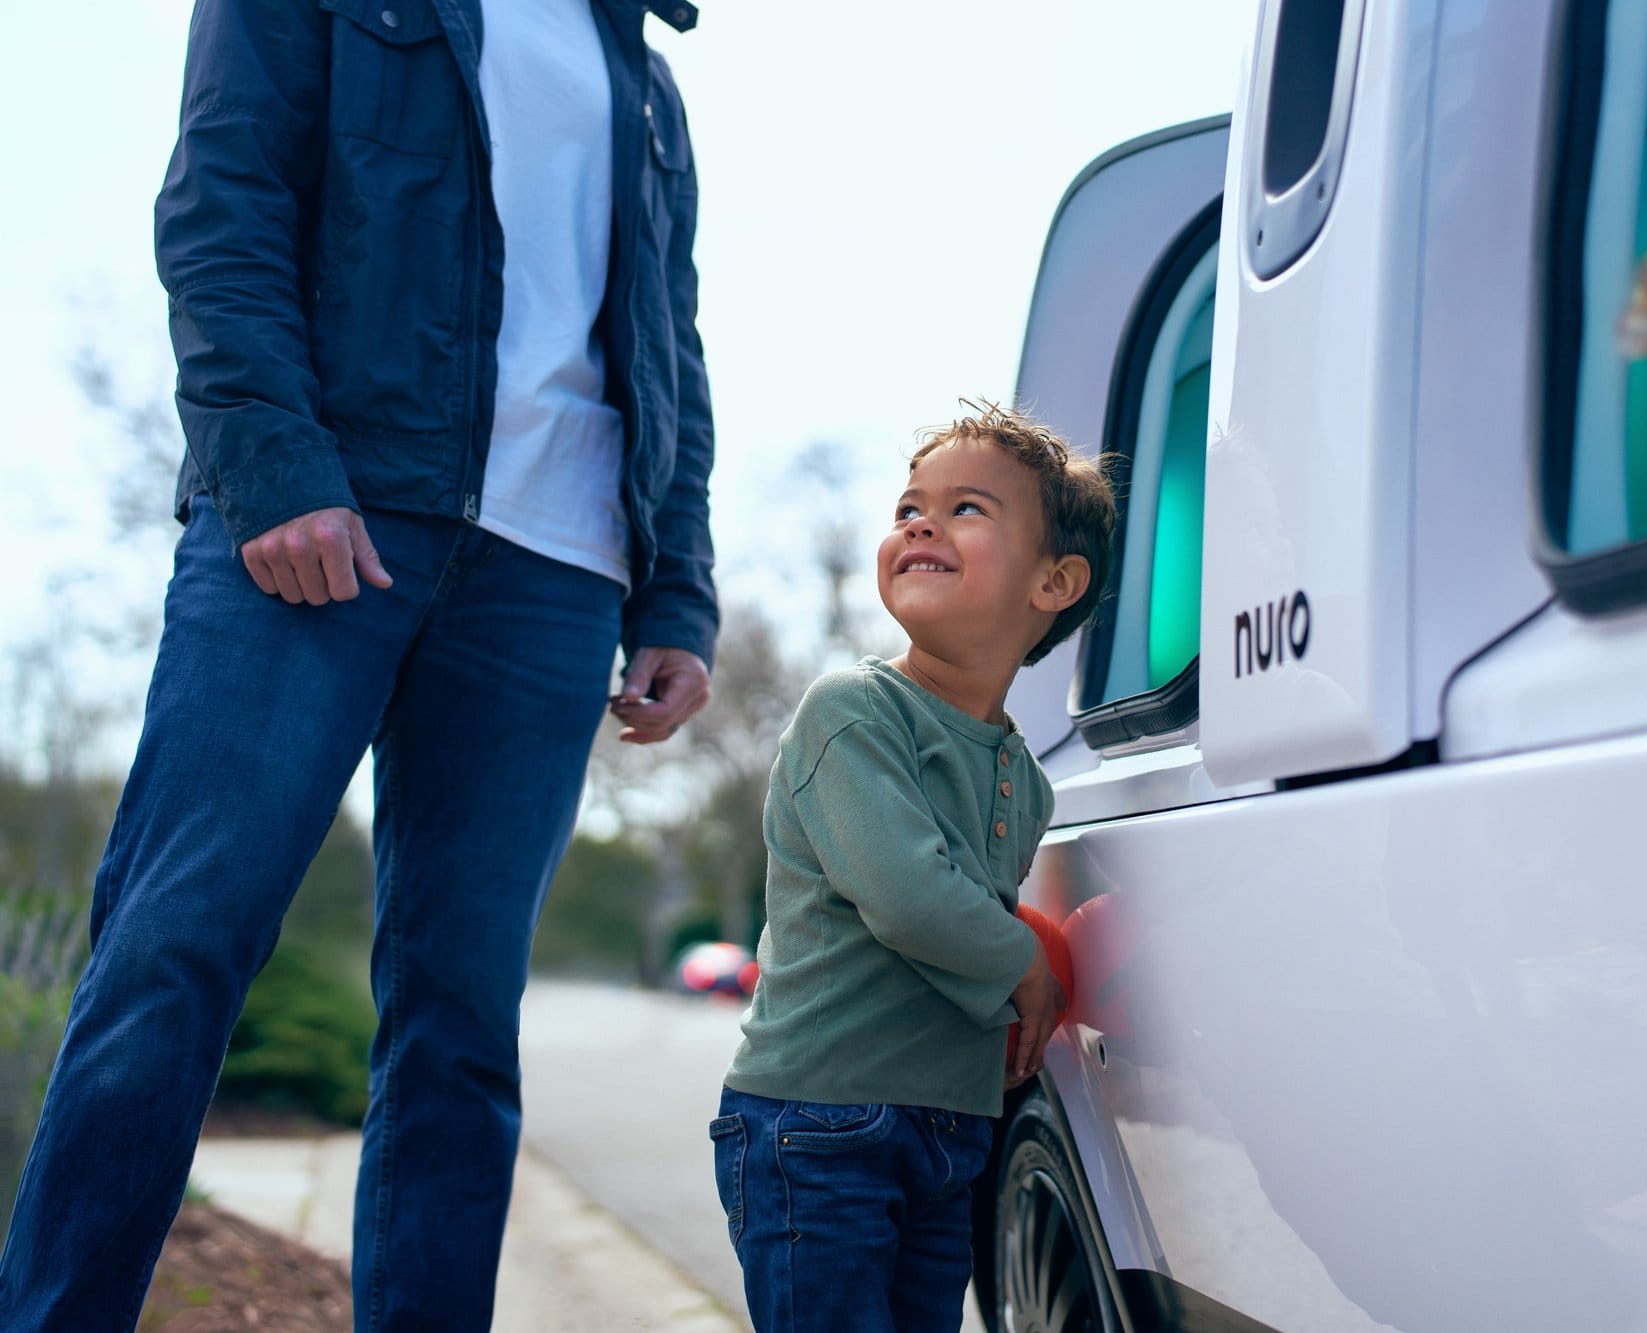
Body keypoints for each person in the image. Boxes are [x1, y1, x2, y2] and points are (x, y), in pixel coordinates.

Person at [0, 0, 716, 1328]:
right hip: (323, 515)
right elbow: (223, 202)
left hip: (557, 570)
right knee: (171, 948)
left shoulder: (640, 65)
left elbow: (666, 340)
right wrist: (273, 469)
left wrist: (676, 587)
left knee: (461, 1028)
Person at [710, 403, 1116, 1332]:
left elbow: (968, 925)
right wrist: (1022, 967)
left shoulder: (1025, 779)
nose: (920, 525)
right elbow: (909, 896)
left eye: (966, 508)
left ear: (1055, 581)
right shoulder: (854, 711)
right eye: (908, 509)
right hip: (819, 1123)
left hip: (947, 1125)